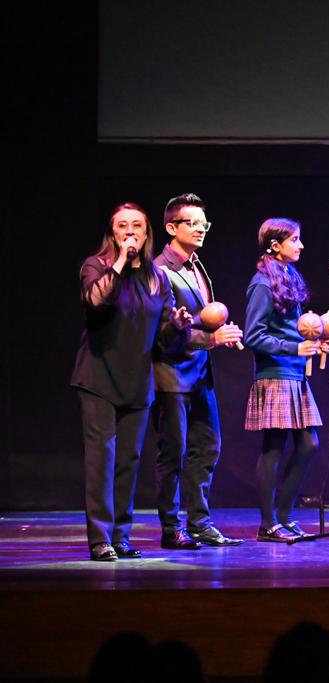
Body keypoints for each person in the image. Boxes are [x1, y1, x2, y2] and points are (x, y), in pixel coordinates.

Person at [71, 203, 192, 561]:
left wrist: (178, 325)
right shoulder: (97, 266)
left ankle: (121, 536)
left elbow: (164, 338)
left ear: (146, 232)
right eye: (122, 226)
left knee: (128, 461)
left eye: (136, 225)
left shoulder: (157, 278)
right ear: (113, 233)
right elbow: (96, 301)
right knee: (101, 461)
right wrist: (121, 261)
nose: (130, 231)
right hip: (98, 378)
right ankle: (100, 539)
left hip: (137, 381)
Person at [152, 193, 244, 549]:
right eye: (192, 223)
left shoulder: (196, 265)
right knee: (173, 454)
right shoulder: (160, 271)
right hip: (172, 374)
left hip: (200, 374)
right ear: (171, 227)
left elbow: (202, 319)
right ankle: (170, 527)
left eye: (204, 224)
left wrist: (220, 334)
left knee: (207, 447)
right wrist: (211, 339)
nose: (200, 229)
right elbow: (162, 334)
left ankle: (200, 523)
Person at [243, 218, 329, 542]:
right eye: (294, 239)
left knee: (309, 445)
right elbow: (253, 335)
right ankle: (268, 524)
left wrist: (314, 342)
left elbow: (294, 329)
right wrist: (294, 347)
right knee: (274, 446)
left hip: (294, 373)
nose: (301, 245)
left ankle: (284, 516)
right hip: (276, 374)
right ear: (275, 245)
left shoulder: (288, 276)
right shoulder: (262, 283)